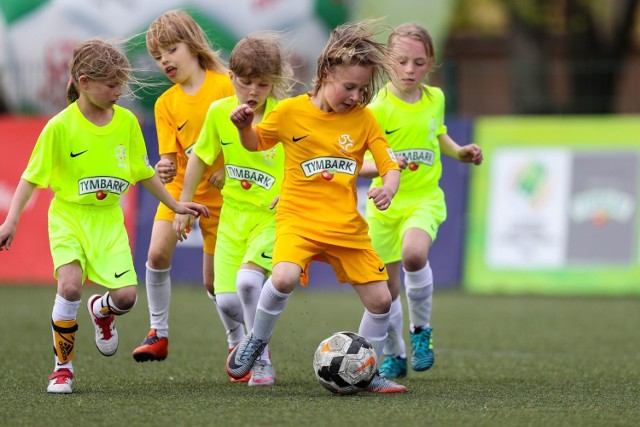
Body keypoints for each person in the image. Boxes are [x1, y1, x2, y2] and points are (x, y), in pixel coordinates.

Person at [0, 39, 209, 394]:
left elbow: (143, 173)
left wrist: (175, 206)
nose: (118, 91)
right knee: (68, 287)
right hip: (69, 218)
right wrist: (11, 221)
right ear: (83, 82)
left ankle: (102, 309)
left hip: (108, 222)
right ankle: (62, 369)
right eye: (111, 85)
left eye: (120, 84)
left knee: (126, 298)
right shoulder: (59, 127)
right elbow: (30, 176)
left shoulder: (126, 122)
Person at [225, 20, 408, 393]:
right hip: (298, 219)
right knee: (283, 277)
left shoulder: (364, 120)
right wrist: (244, 126)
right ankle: (256, 342)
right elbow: (256, 143)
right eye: (349, 87)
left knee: (381, 299)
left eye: (362, 89)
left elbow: (389, 164)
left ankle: (365, 369)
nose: (356, 96)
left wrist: (388, 188)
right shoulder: (290, 112)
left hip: (346, 227)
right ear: (325, 74)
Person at [360, 22, 483, 379]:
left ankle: (421, 332)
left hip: (424, 198)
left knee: (415, 254)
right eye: (401, 62)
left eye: (418, 62)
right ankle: (395, 353)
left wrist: (460, 152)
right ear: (387, 62)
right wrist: (381, 169)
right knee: (387, 290)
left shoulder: (436, 99)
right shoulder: (376, 108)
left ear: (430, 62)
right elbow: (358, 159)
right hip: (385, 206)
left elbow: (438, 134)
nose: (410, 70)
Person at [174, 32, 293, 386]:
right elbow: (200, 158)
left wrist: (288, 191)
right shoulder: (218, 113)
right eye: (245, 82)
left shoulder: (285, 115)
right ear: (231, 78)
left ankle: (261, 360)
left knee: (247, 283)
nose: (253, 91)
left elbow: (303, 159)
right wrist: (182, 203)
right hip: (232, 219)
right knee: (226, 302)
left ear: (275, 82)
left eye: (262, 84)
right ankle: (242, 344)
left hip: (272, 219)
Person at [132, 10, 236, 363]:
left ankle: (237, 342)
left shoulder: (226, 85)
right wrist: (164, 167)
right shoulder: (165, 103)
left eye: (170, 50)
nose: (164, 61)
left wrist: (229, 169)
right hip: (181, 191)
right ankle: (157, 333)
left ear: (191, 45)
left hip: (224, 200)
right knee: (156, 255)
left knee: (213, 284)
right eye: (157, 56)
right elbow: (171, 160)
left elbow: (253, 141)